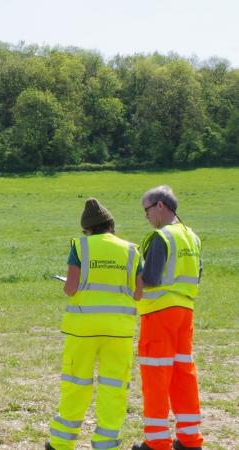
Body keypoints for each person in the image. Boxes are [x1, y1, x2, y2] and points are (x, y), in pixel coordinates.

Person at [46, 198, 142, 450]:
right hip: (119, 331)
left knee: (76, 384)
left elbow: (70, 289)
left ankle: (61, 443)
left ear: (87, 228)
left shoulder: (80, 247)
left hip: (83, 330)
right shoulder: (132, 250)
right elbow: (138, 293)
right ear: (110, 225)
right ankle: (106, 443)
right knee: (114, 388)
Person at [132, 186, 204, 450]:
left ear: (160, 206)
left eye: (147, 210)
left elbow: (151, 278)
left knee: (156, 376)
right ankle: (190, 439)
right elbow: (197, 274)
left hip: (159, 314)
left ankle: (157, 442)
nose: (147, 216)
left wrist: (129, 280)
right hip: (185, 312)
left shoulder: (160, 236)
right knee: (183, 374)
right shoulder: (192, 237)